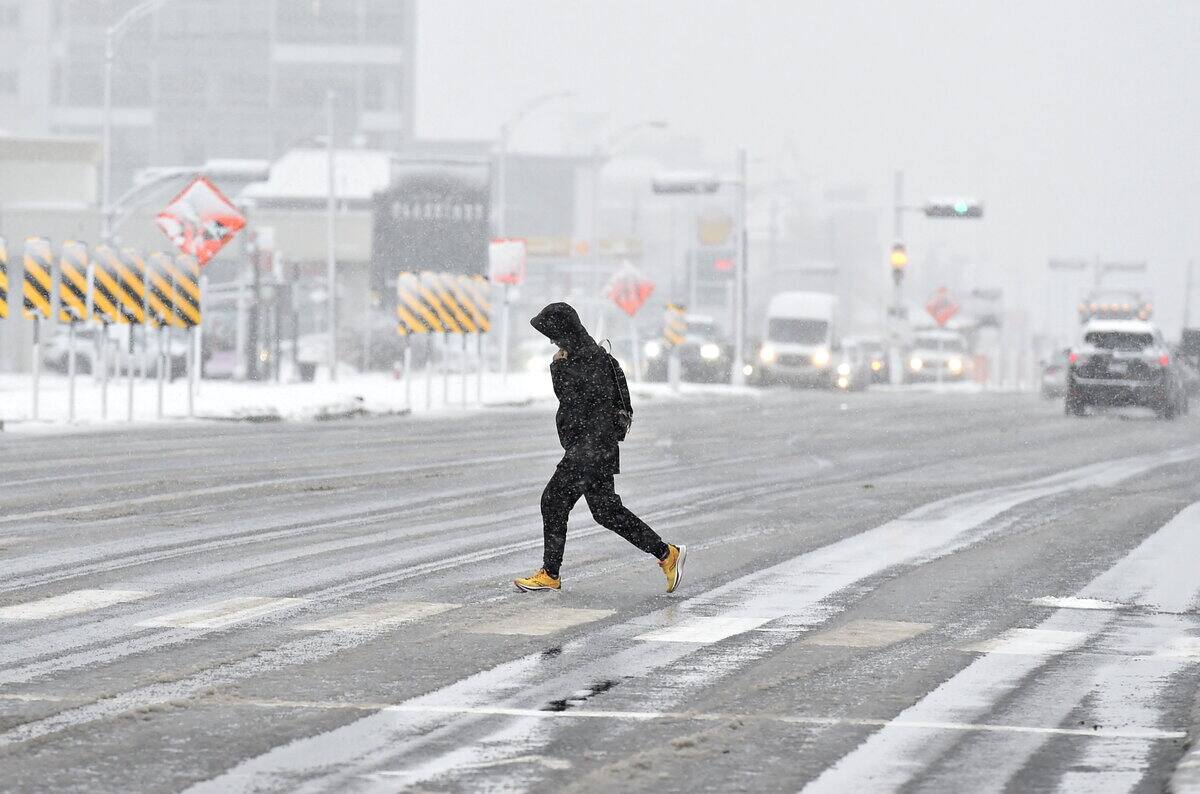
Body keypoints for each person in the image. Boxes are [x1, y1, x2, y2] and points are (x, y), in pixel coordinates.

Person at [514, 302, 686, 593]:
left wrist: (558, 366)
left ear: (564, 331)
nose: (551, 342)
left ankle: (550, 574)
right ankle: (667, 554)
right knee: (606, 511)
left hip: (589, 446)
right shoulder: (587, 356)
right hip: (596, 446)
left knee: (553, 501)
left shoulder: (587, 360)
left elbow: (574, 401)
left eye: (553, 335)